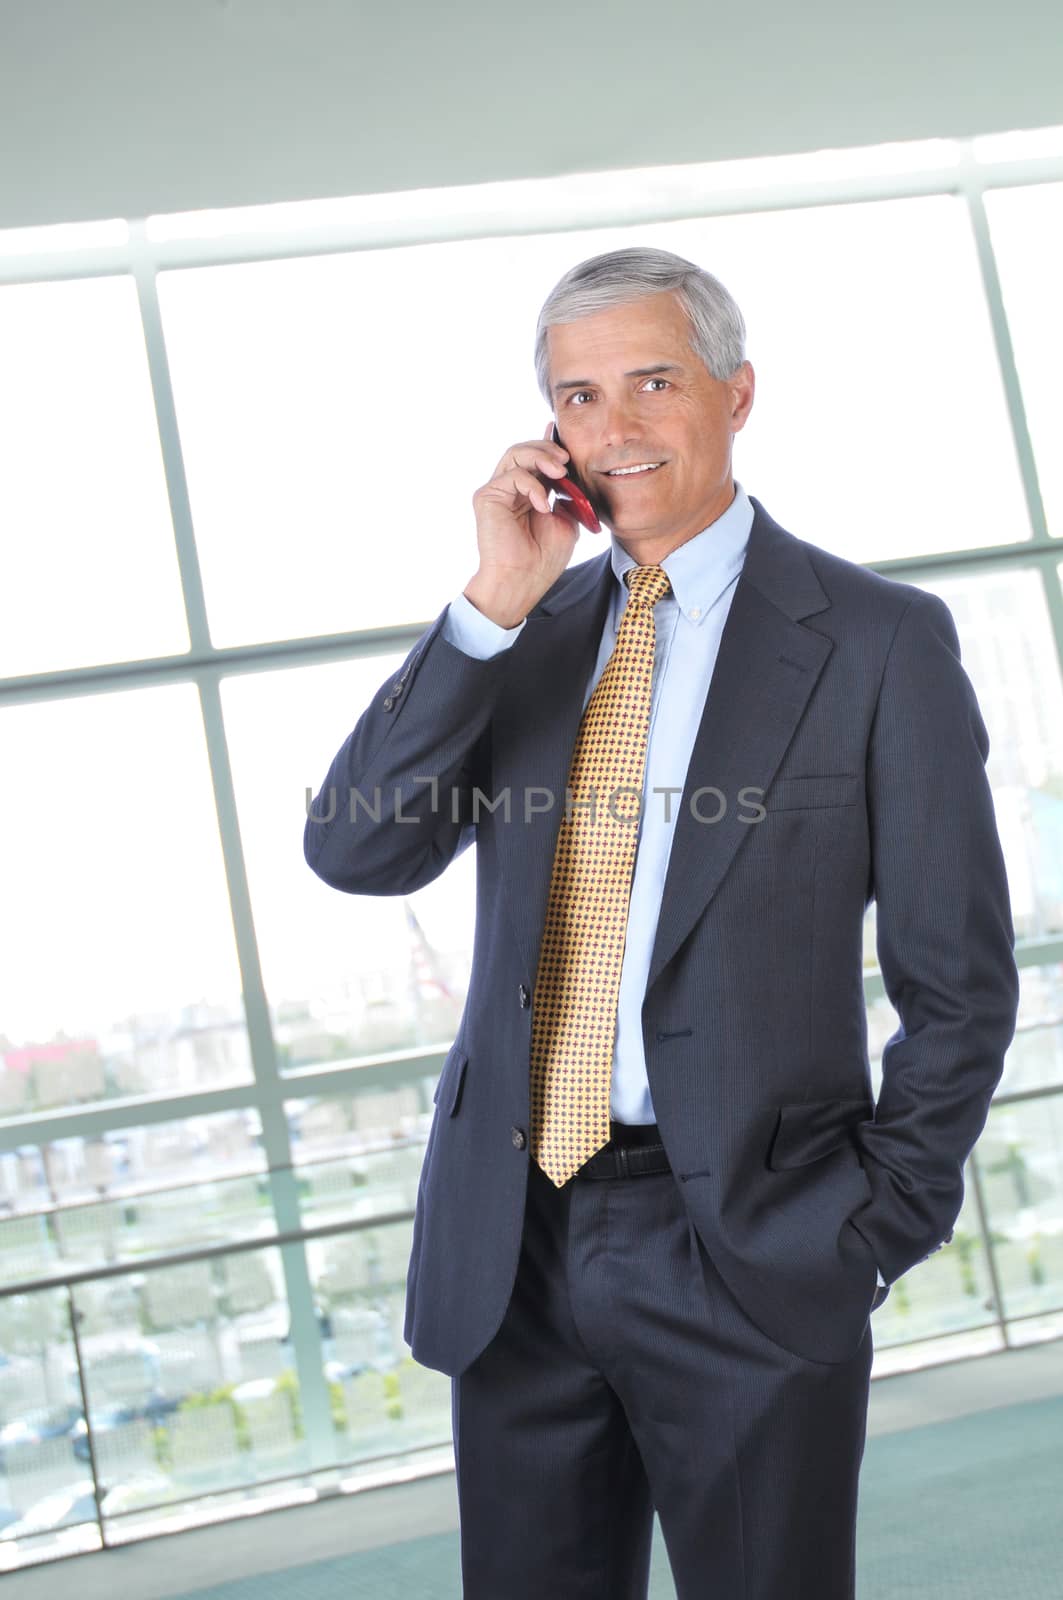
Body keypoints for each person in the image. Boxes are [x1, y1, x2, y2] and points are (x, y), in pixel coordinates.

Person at [303, 246, 1020, 1599]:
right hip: (514, 1247)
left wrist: (872, 1224)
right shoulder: (522, 634)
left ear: (737, 394)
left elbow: (960, 982)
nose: (614, 426)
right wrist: (486, 605)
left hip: (754, 1240)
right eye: (577, 396)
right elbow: (356, 847)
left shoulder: (876, 643)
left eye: (651, 381)